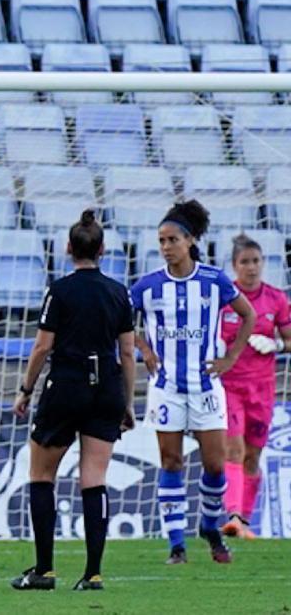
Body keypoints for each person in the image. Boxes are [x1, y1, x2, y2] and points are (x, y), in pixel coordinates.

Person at [10, 210, 136, 592]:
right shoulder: (118, 292)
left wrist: (26, 389)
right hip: (106, 390)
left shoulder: (60, 291)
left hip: (66, 386)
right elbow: (127, 353)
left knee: (41, 476)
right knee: (94, 479)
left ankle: (44, 571)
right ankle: (93, 574)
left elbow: (42, 346)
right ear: (102, 250)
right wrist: (126, 402)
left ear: (68, 248)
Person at [131, 200, 255, 565]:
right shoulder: (148, 287)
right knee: (170, 462)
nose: (166, 247)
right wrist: (143, 348)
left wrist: (231, 358)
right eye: (161, 241)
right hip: (166, 387)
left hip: (205, 386)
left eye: (172, 240)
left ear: (189, 241)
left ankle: (208, 526)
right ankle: (176, 546)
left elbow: (246, 316)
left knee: (216, 465)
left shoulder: (214, 280)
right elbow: (118, 320)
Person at [219, 235, 291, 539]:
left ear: (263, 263)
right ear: (235, 265)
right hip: (229, 386)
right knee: (233, 451)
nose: (251, 268)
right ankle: (232, 516)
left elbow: (289, 340)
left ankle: (244, 522)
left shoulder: (276, 299)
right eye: (244, 262)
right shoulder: (226, 298)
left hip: (262, 389)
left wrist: (275, 343)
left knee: (253, 456)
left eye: (256, 261)